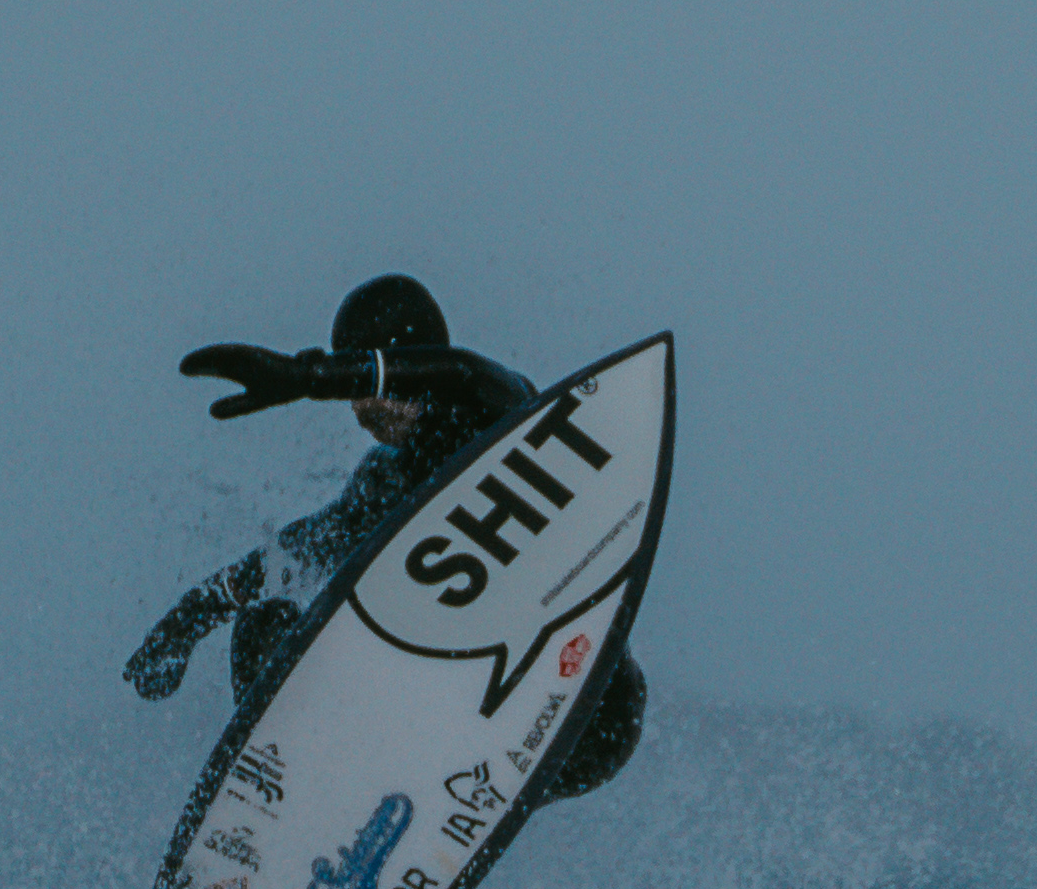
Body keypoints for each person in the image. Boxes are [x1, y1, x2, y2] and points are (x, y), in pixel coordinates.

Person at [122, 274, 648, 799]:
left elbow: (463, 372)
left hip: (593, 714)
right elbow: (283, 557)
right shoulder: (383, 486)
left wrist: (312, 376)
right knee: (265, 626)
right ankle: (286, 803)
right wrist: (186, 622)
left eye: (369, 391)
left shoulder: (503, 414)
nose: (361, 414)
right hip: (470, 735)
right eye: (355, 399)